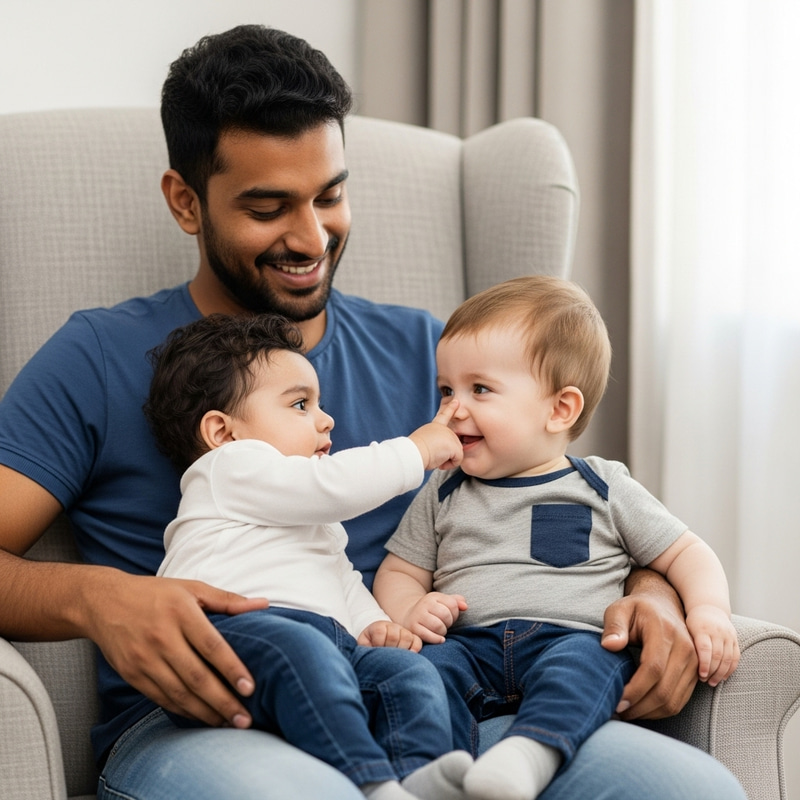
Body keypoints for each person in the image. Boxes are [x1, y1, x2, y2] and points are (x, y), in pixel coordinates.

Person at [0, 23, 746, 800]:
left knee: (694, 792)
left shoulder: (438, 359)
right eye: (268, 207)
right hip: (211, 721)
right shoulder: (100, 356)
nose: (311, 237)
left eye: (329, 195)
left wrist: (651, 595)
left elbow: (571, 499)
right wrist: (98, 599)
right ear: (187, 202)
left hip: (443, 704)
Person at [374, 275, 741, 800]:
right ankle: (430, 772)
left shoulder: (602, 485)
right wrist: (411, 608)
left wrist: (708, 611)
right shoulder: (443, 489)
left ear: (560, 409)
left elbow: (686, 551)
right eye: (446, 390)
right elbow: (399, 570)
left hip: (568, 638)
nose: (453, 409)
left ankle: (531, 753)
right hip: (466, 646)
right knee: (423, 675)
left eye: (480, 389)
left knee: (588, 666)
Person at [145, 311, 470, 800]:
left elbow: (342, 578)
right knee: (304, 649)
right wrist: (415, 451)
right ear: (223, 432)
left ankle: (419, 776)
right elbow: (331, 486)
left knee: (407, 672)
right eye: (300, 404)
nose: (326, 419)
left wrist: (372, 625)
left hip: (323, 647)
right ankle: (371, 781)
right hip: (222, 641)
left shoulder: (313, 517)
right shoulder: (226, 470)